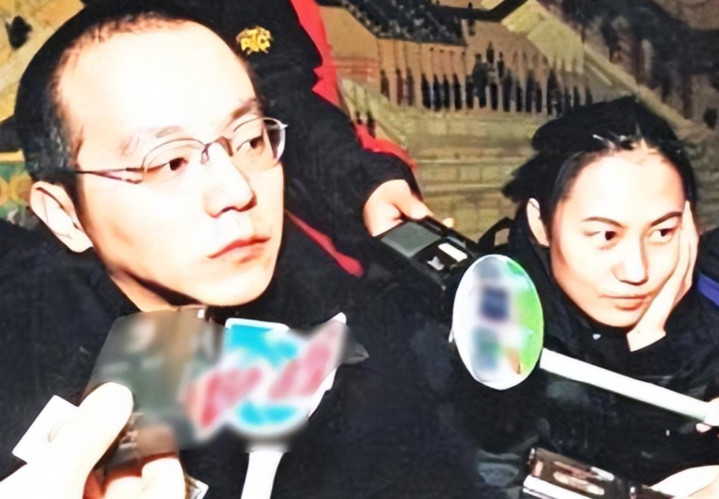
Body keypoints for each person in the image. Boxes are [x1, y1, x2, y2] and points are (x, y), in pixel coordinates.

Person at [0, 1, 495, 497]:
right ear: (65, 215)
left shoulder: (350, 341)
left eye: (252, 140)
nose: (237, 190)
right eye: (170, 163)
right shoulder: (23, 358)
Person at [460, 97, 719, 496]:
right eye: (606, 235)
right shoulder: (487, 332)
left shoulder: (695, 319)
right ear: (541, 223)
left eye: (663, 232)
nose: (637, 271)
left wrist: (656, 350)